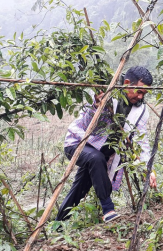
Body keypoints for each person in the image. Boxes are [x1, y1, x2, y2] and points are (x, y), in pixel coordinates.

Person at [56, 66, 157, 223]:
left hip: (101, 156)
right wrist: (97, 107)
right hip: (78, 142)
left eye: (144, 93)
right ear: (127, 83)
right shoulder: (107, 93)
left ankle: (59, 224)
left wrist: (147, 168)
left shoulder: (141, 110)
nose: (140, 97)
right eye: (139, 91)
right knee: (95, 159)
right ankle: (108, 209)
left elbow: (141, 140)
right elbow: (86, 124)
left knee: (79, 189)